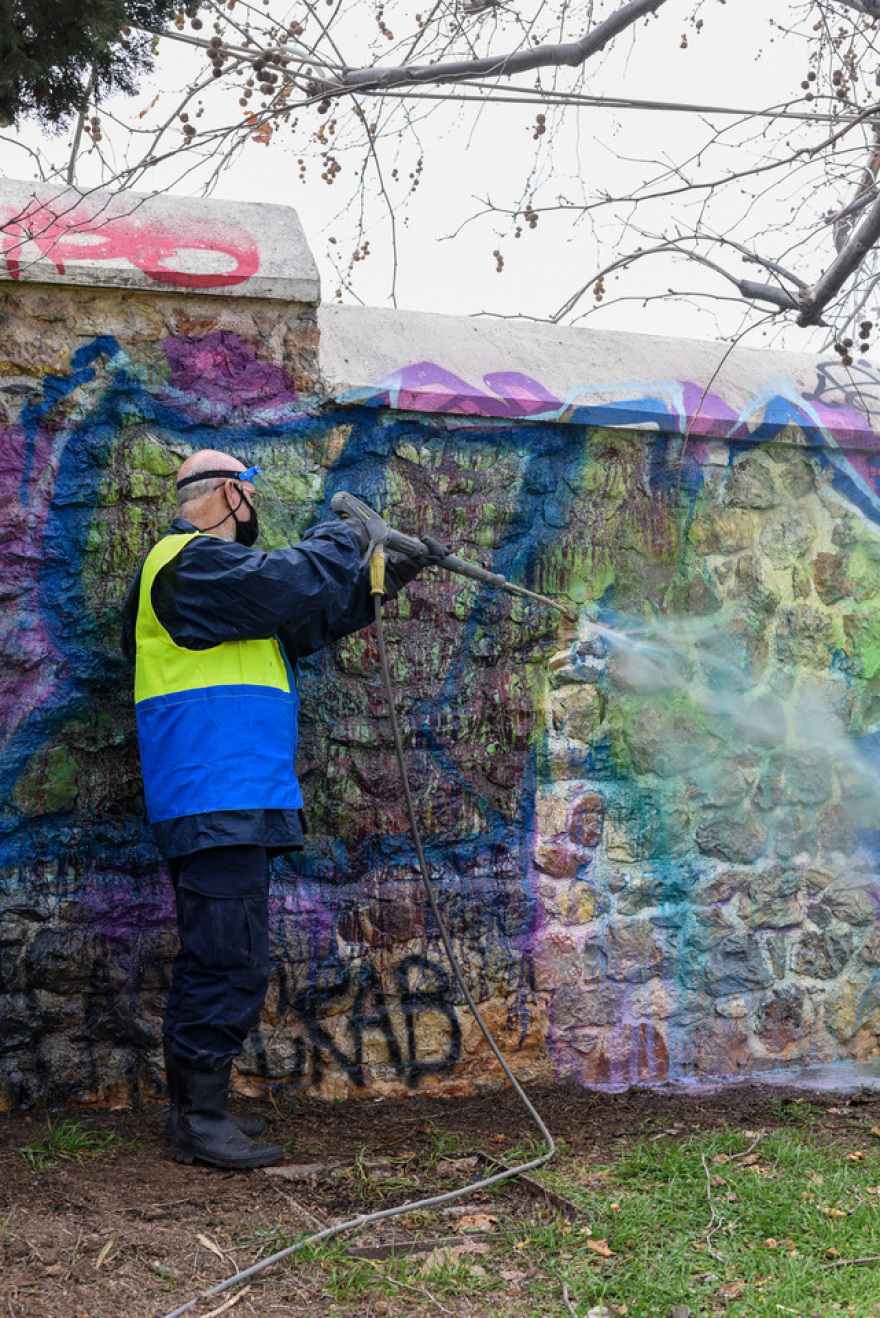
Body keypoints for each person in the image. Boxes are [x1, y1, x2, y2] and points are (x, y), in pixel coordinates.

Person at [121, 449, 445, 1170]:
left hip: (239, 795)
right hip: (212, 794)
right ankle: (197, 1122)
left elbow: (309, 616)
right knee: (226, 955)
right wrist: (347, 537)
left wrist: (387, 575)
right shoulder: (186, 565)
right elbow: (287, 580)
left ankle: (198, 1115)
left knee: (230, 953)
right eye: (252, 499)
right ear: (236, 495)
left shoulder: (232, 595)